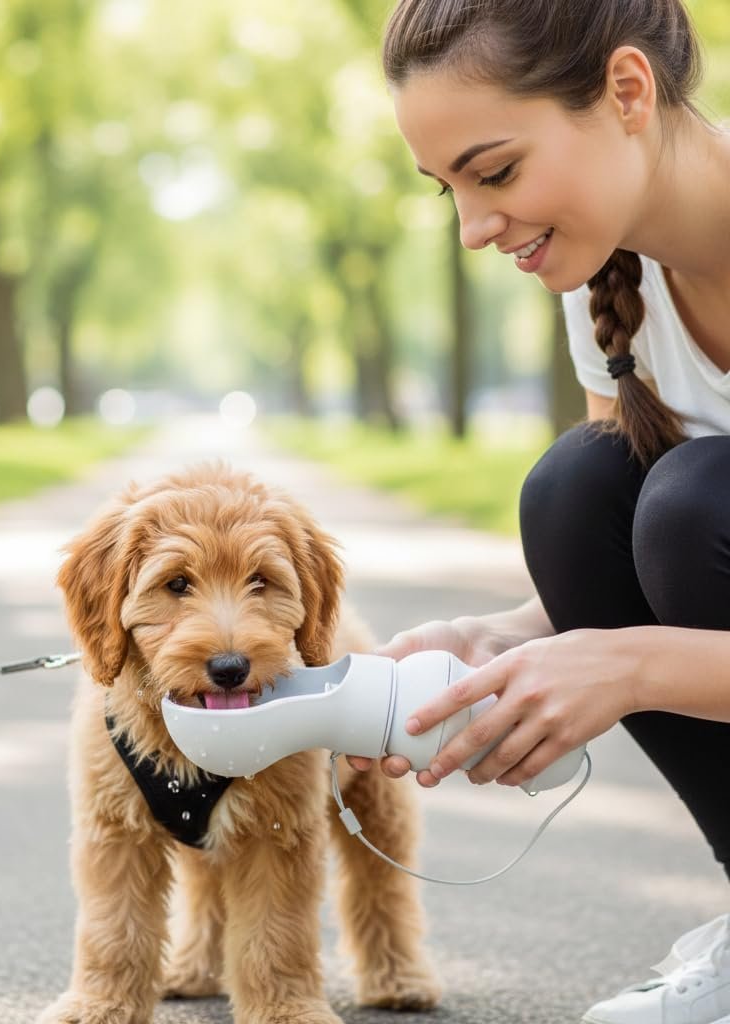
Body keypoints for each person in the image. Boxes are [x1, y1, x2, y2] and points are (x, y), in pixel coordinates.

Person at [346, 1, 730, 1022]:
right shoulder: (605, 273)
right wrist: (498, 641)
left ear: (627, 91)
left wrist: (633, 664)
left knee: (694, 501)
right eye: (449, 192)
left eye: (496, 172)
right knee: (579, 489)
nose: (473, 230)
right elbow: (618, 555)